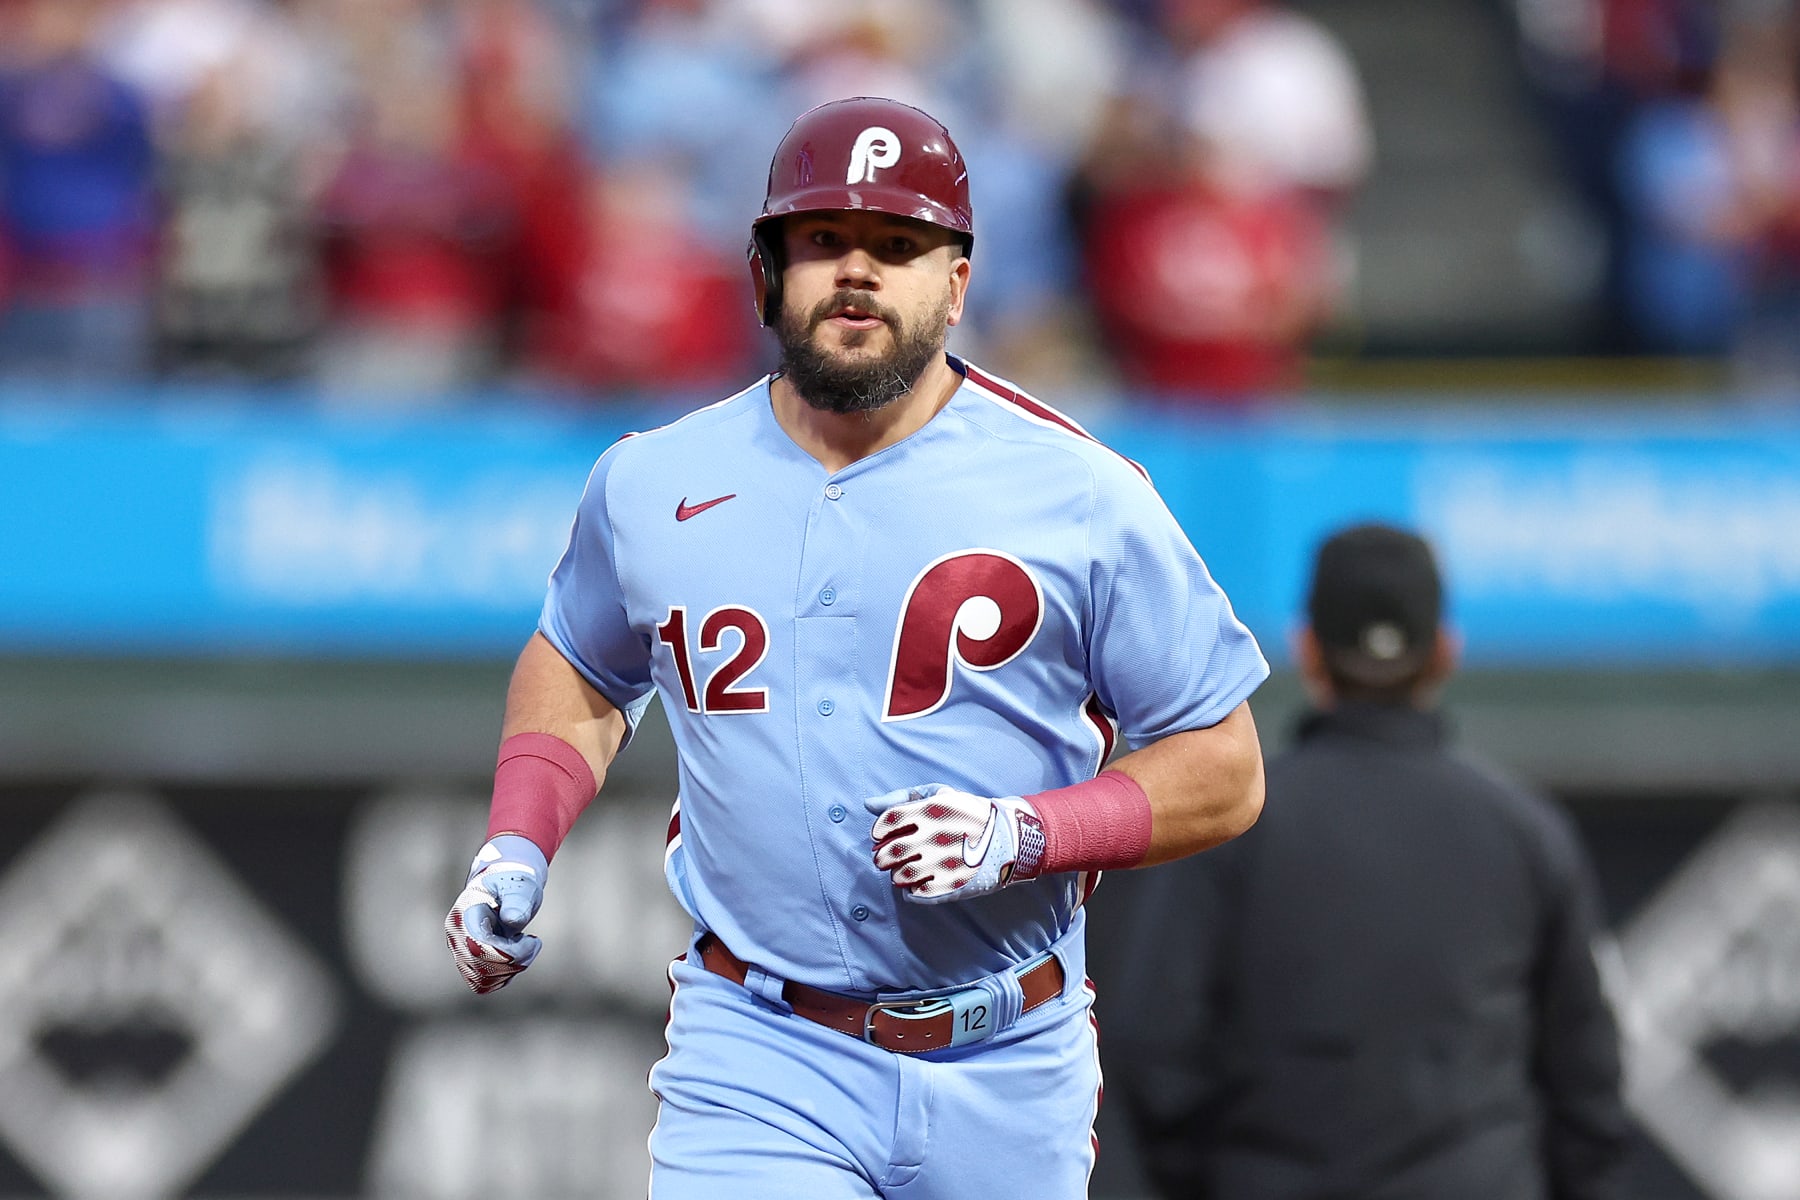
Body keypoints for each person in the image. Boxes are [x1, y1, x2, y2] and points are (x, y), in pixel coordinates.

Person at [442, 96, 1270, 1198]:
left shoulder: (1083, 494)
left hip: (1011, 1055)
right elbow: (582, 664)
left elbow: (1225, 766)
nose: (859, 272)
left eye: (900, 245)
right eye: (824, 240)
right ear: (764, 274)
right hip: (760, 1046)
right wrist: (517, 839)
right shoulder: (651, 480)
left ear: (959, 283)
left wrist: (1031, 833)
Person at [1108, 522, 1631, 1200]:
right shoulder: (1526, 832)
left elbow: (1154, 1063)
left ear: (1307, 650)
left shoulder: (1233, 827)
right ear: (1444, 652)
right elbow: (1588, 1093)